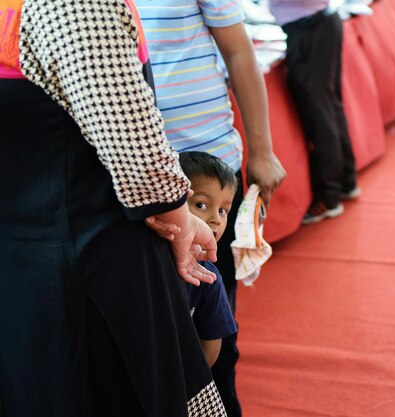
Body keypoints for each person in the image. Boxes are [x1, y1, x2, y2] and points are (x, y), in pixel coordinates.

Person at [0, 1, 227, 416]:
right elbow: (137, 156)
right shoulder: (74, 6)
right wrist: (180, 221)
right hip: (93, 259)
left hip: (23, 256)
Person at [135, 2, 286, 416]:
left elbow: (239, 51)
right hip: (141, 182)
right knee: (151, 323)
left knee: (212, 317)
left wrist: (262, 149)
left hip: (208, 175)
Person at [268, 0, 360, 225]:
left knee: (321, 116)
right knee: (329, 110)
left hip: (310, 28)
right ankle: (344, 183)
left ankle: (329, 196)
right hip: (315, 24)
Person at [179, 152, 239, 368]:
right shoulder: (147, 261)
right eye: (201, 205)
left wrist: (190, 384)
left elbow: (211, 346)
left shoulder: (210, 277)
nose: (216, 219)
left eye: (223, 210)